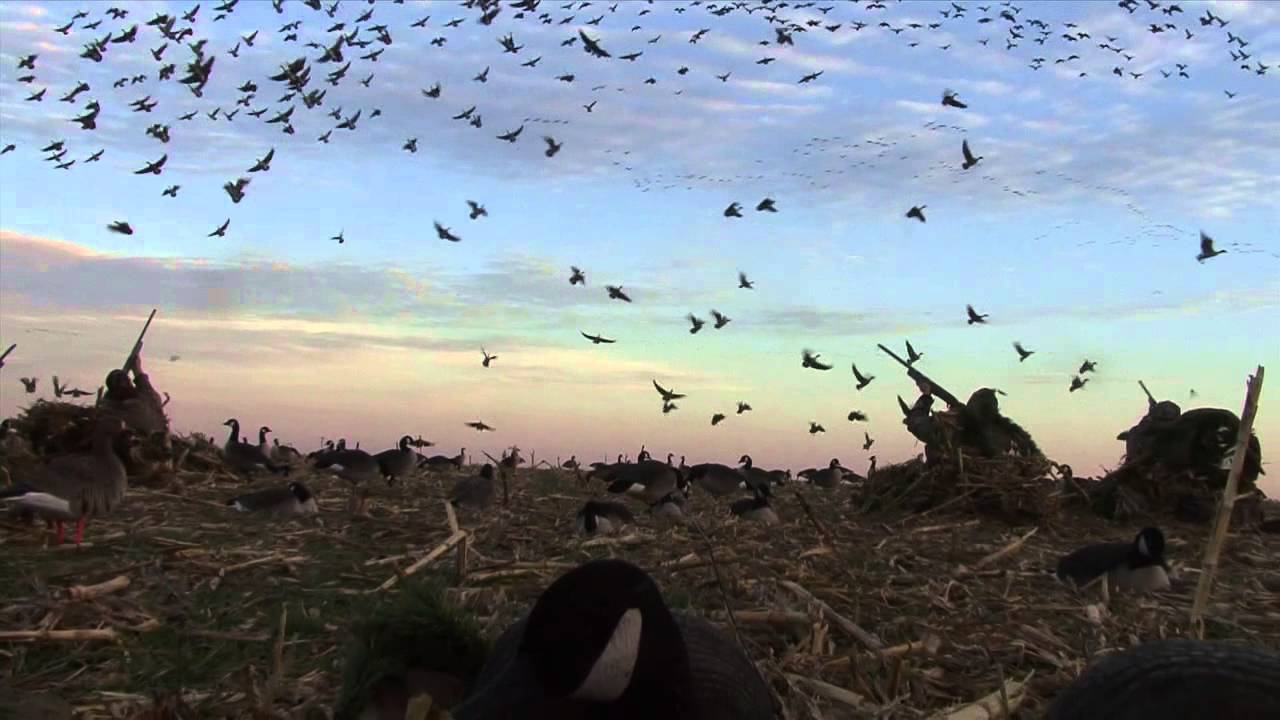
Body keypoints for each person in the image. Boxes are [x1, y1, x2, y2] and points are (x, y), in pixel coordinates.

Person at [101, 344, 172, 468]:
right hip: (152, 460)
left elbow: (105, 405)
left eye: (124, 381)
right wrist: (136, 369)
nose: (124, 385)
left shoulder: (115, 408)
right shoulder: (147, 399)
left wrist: (135, 369)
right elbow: (145, 386)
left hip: (141, 462)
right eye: (121, 382)